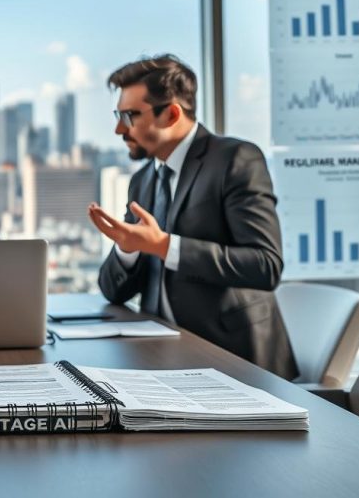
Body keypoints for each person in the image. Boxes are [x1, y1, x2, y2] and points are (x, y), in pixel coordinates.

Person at [88, 54, 297, 379]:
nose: (118, 128)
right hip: (160, 360)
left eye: (129, 116)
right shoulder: (142, 181)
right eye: (119, 115)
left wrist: (164, 246)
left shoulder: (235, 160)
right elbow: (113, 292)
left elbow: (265, 265)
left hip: (235, 363)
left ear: (171, 113)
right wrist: (127, 249)